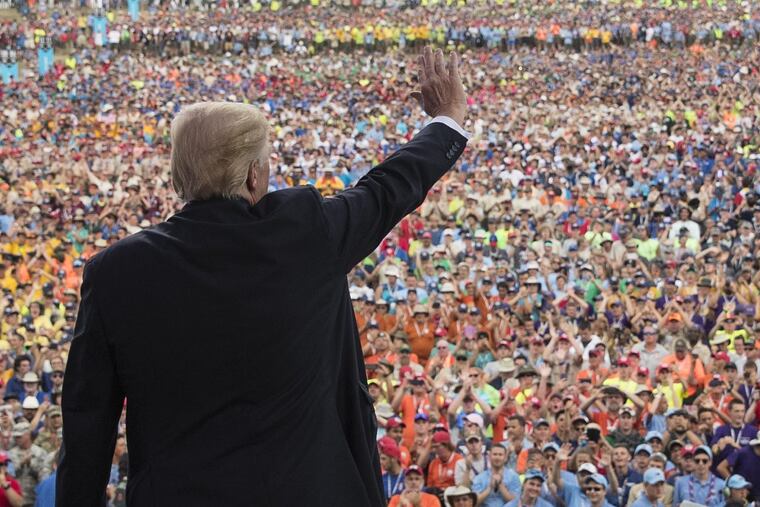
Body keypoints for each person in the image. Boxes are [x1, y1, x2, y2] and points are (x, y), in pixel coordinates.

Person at [56, 47, 469, 506]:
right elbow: (387, 188)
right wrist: (447, 118)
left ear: (178, 179)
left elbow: (86, 429)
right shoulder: (304, 232)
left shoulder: (115, 273)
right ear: (254, 176)